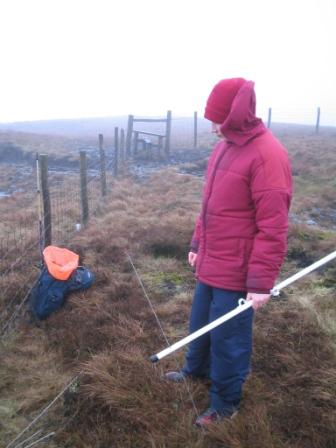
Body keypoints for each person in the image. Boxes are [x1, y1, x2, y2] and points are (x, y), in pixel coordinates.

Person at [165, 78, 293, 427]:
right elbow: (211, 205)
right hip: (212, 260)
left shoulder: (269, 156)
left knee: (229, 340)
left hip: (238, 271)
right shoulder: (225, 146)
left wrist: (261, 282)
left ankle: (224, 405)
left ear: (235, 116)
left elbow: (273, 228)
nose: (211, 128)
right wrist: (196, 243)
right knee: (200, 324)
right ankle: (196, 371)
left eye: (216, 120)